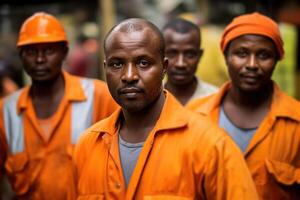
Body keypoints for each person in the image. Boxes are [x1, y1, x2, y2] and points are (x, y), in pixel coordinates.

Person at [74, 18, 258, 199]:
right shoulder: (88, 146)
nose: (129, 76)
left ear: (164, 68)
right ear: (105, 69)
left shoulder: (210, 145)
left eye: (143, 63)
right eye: (117, 64)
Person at [0, 12, 118, 200]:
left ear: (64, 52)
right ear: (21, 55)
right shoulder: (6, 111)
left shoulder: (98, 96)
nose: (40, 59)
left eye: (48, 50)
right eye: (31, 51)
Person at [187, 12, 300, 199]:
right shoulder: (193, 117)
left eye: (264, 55)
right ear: (226, 56)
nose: (252, 64)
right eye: (242, 53)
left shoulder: (296, 122)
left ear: (277, 61)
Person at [163, 18, 218, 105]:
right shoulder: (150, 97)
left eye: (189, 55)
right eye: (172, 54)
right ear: (161, 54)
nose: (180, 64)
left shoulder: (216, 99)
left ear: (200, 55)